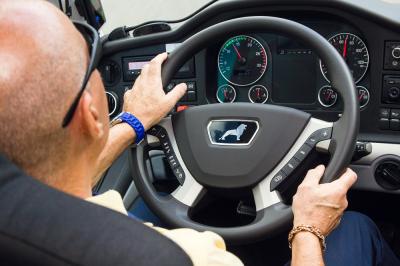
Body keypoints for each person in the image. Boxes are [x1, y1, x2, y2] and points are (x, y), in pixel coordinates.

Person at [0, 0, 399, 265]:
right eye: (92, 70)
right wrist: (308, 228)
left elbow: (54, 172)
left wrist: (134, 122)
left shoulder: (20, 218)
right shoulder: (188, 256)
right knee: (356, 227)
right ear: (91, 113)